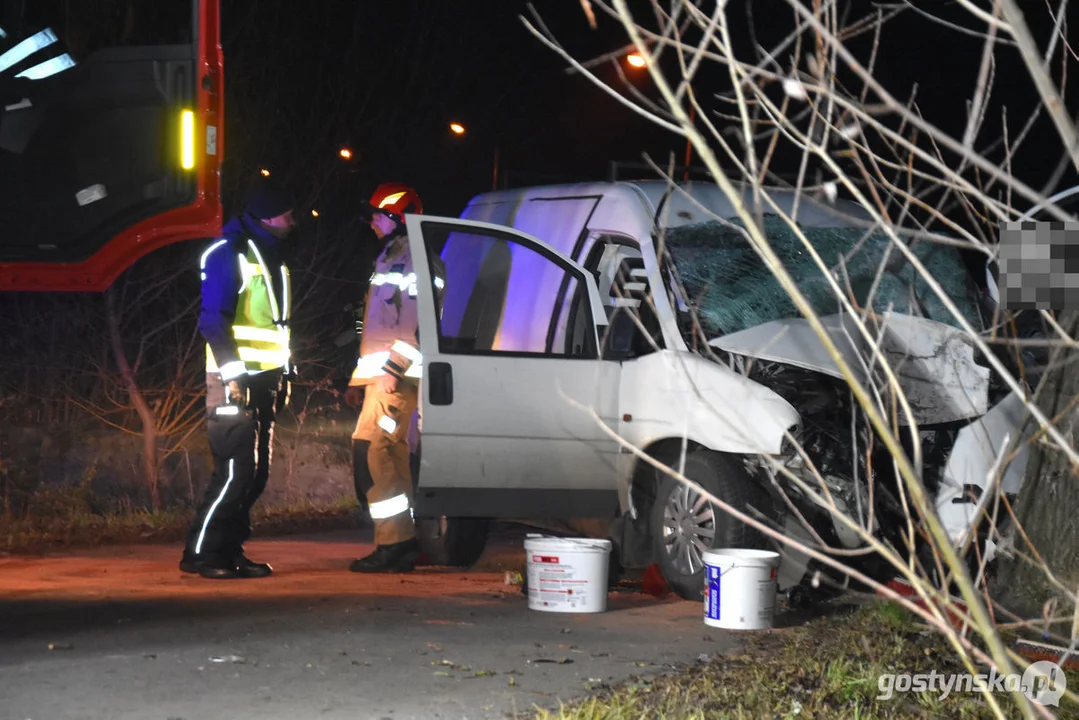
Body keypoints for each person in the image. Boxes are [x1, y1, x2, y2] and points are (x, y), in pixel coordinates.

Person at [179, 178, 297, 579]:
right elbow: (213, 322)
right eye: (288, 213)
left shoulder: (267, 254)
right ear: (268, 215)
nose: (293, 220)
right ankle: (203, 554)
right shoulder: (228, 254)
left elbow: (272, 326)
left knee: (255, 474)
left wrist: (284, 373)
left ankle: (228, 550)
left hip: (264, 379)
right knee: (235, 472)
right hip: (236, 380)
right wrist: (234, 377)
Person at [344, 183, 444, 573]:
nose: (371, 221)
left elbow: (418, 325)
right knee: (386, 453)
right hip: (385, 379)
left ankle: (395, 544)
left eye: (378, 215)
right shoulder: (393, 258)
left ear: (399, 218)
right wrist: (360, 381)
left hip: (397, 378)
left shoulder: (416, 260)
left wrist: (392, 370)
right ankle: (400, 542)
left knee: (379, 451)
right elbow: (381, 327)